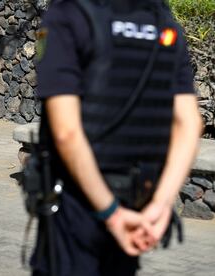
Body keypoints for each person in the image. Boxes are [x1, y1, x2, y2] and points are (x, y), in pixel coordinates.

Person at [31, 0, 202, 275]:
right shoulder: (162, 21)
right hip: (138, 205)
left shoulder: (70, 14)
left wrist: (111, 214)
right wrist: (160, 205)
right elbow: (190, 123)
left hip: (77, 209)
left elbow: (67, 132)